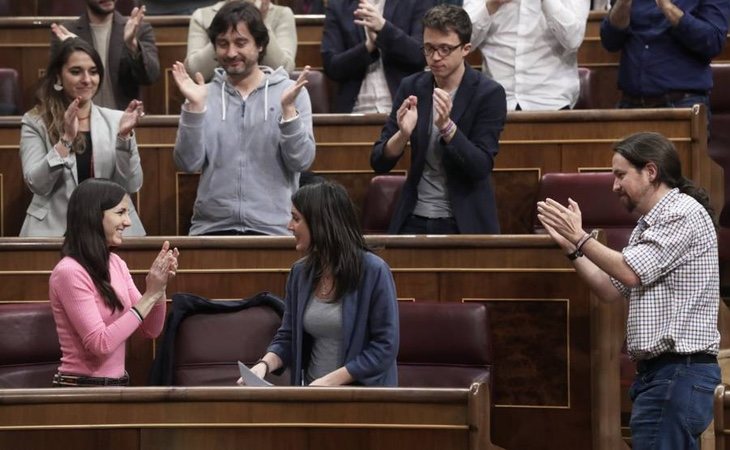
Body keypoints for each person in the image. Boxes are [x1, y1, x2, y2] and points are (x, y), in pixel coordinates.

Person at [536, 131, 720, 449]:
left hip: (677, 374)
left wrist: (581, 238)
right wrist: (572, 250)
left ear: (650, 171)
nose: (614, 185)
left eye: (621, 175)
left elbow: (630, 273)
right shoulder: (648, 225)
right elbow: (609, 288)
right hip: (662, 377)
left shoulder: (680, 214)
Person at [172, 1, 315, 236]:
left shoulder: (290, 92)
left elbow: (302, 161)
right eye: (222, 44)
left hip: (275, 229)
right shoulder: (202, 93)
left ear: (259, 45)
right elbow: (188, 163)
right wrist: (194, 110)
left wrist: (289, 113)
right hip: (211, 229)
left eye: (240, 43)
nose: (230, 53)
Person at [243, 181, 399, 386]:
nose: (289, 226)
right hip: (313, 394)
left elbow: (384, 346)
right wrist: (263, 365)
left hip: (361, 399)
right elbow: (288, 336)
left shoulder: (374, 271)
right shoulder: (300, 273)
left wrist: (330, 382)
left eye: (296, 219)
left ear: (320, 223)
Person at [371, 4, 507, 234]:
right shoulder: (412, 86)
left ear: (465, 49)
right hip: (414, 216)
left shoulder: (488, 93)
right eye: (428, 48)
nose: (435, 57)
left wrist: (447, 127)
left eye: (445, 49)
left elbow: (480, 166)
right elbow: (378, 161)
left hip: (463, 221)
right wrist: (402, 135)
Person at [50, 178, 179, 387]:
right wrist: (149, 295)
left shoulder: (116, 263)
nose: (128, 222)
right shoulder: (69, 272)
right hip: (81, 391)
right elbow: (100, 344)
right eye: (120, 213)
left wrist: (159, 288)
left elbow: (151, 329)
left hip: (117, 387)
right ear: (94, 216)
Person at [19, 38, 146, 237]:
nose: (87, 79)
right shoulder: (35, 122)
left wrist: (123, 139)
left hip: (111, 232)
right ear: (58, 78)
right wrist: (66, 140)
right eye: (76, 71)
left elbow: (131, 185)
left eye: (93, 72)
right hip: (55, 231)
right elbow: (37, 184)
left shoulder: (117, 121)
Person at [601, 0, 730, 109]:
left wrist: (667, 7)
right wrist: (623, 4)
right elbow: (610, 42)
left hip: (682, 104)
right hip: (630, 104)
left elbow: (712, 42)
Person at [463, 0, 590, 111]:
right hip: (496, 100)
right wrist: (489, 6)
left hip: (551, 100)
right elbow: (464, 41)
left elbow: (573, 40)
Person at [321, 0, 435, 113]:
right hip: (354, 112)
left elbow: (420, 55)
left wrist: (384, 29)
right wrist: (368, 47)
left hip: (404, 110)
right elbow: (332, 66)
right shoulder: (338, 6)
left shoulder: (417, 2)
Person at [50, 1, 161, 111]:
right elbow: (56, 83)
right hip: (79, 121)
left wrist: (132, 46)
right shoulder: (65, 33)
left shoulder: (139, 29)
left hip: (124, 120)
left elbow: (151, 77)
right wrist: (74, 46)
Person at [185, 0, 297, 81]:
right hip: (217, 97)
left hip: (269, 96)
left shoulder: (281, 14)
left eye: (240, 43)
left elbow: (284, 70)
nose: (231, 53)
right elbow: (196, 72)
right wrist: (224, 28)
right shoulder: (202, 15)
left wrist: (259, 21)